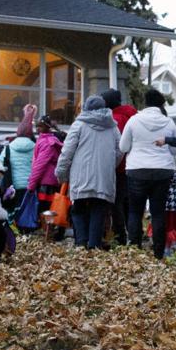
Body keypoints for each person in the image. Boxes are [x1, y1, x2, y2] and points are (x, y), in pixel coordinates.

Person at [55, 96, 121, 250]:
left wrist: (61, 173)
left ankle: (81, 243)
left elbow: (67, 152)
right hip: (104, 177)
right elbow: (119, 151)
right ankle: (94, 244)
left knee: (78, 208)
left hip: (80, 174)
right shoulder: (113, 127)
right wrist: (109, 165)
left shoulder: (79, 125)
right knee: (98, 209)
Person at [119, 89, 176, 258]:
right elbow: (174, 150)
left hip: (137, 169)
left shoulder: (134, 121)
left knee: (135, 212)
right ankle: (158, 252)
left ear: (145, 102)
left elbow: (123, 147)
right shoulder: (169, 122)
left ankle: (135, 249)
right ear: (161, 104)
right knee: (158, 212)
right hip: (162, 171)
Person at [101, 88, 137, 247]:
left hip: (117, 167)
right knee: (131, 203)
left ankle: (119, 236)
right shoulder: (133, 116)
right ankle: (135, 235)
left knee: (116, 203)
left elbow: (116, 146)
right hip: (134, 165)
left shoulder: (114, 119)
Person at [28, 115, 65, 217]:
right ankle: (48, 230)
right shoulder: (44, 139)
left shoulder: (47, 143)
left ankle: (46, 230)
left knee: (44, 210)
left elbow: (40, 165)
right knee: (48, 210)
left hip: (46, 183)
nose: (37, 129)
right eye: (36, 126)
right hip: (48, 181)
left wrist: (31, 184)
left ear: (47, 127)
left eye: (40, 126)